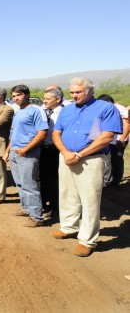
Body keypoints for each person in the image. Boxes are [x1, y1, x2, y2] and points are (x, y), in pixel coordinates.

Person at [50, 77, 122, 257]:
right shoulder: (67, 111)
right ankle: (68, 227)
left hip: (91, 159)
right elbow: (56, 133)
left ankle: (87, 240)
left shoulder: (106, 108)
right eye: (72, 92)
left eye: (78, 92)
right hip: (66, 157)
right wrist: (66, 153)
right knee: (67, 194)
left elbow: (106, 137)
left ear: (90, 91)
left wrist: (80, 155)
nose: (74, 96)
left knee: (89, 200)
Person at [3, 85, 48, 227]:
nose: (16, 98)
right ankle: (26, 208)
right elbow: (13, 133)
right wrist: (7, 151)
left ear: (27, 95)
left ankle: (36, 217)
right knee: (20, 183)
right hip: (15, 152)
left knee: (30, 184)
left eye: (19, 95)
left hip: (28, 153)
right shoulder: (18, 111)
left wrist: (25, 149)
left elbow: (42, 133)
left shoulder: (36, 110)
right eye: (14, 96)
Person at [39, 87, 65, 217]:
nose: (45, 101)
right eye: (44, 99)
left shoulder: (64, 112)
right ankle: (42, 204)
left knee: (55, 179)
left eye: (48, 99)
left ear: (58, 99)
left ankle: (55, 208)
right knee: (42, 178)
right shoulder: (43, 111)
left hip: (56, 150)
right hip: (43, 149)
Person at [96, 94, 129, 188]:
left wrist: (121, 140)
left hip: (119, 139)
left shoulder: (121, 109)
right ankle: (109, 180)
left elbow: (126, 125)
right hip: (110, 139)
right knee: (109, 159)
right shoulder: (105, 108)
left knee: (117, 159)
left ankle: (116, 181)